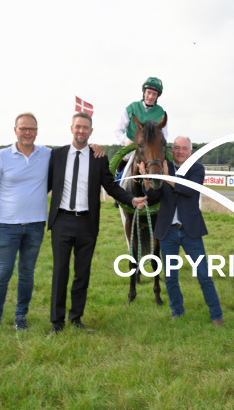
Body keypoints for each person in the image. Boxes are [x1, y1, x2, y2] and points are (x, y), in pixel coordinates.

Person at [48, 112, 147, 334]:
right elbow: (43, 185)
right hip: (62, 220)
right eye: (78, 126)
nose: (81, 131)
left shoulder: (99, 158)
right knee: (60, 272)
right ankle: (57, 323)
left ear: (91, 131)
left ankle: (76, 318)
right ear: (71, 128)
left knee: (82, 273)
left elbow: (110, 187)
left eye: (85, 127)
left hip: (87, 223)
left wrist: (131, 199)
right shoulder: (56, 155)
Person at [139, 136, 224, 326]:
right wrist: (146, 178)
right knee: (171, 277)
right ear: (172, 149)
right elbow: (154, 196)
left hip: (190, 231)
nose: (179, 151)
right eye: (176, 147)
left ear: (190, 151)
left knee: (203, 275)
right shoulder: (163, 166)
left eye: (184, 148)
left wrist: (167, 177)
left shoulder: (196, 169)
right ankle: (177, 312)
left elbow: (189, 190)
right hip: (168, 232)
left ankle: (216, 315)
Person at [0, 112, 49, 336]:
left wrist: (95, 146)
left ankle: (21, 317)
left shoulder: (46, 154)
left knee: (27, 273)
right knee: (3, 273)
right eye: (23, 128)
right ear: (15, 130)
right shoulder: (0, 156)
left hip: (36, 226)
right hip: (7, 226)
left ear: (37, 131)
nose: (28, 132)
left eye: (32, 129)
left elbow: (72, 153)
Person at [115, 77, 169, 146]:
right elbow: (118, 130)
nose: (151, 96)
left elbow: (164, 134)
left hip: (152, 148)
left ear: (157, 96)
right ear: (144, 92)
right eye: (148, 92)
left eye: (154, 94)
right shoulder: (131, 108)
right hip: (132, 147)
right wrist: (126, 141)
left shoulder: (161, 113)